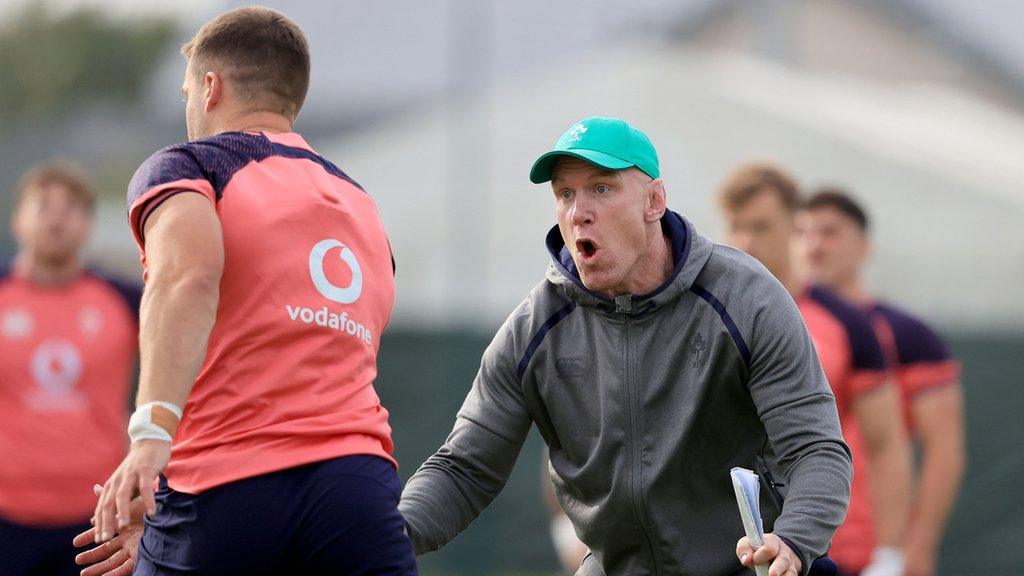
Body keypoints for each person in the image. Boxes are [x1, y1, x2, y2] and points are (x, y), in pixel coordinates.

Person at [399, 116, 853, 576]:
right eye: (564, 194)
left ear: (655, 201)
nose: (579, 211)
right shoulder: (534, 328)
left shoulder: (747, 298)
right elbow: (463, 469)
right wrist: (386, 534)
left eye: (601, 188)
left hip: (756, 566)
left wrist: (794, 539)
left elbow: (816, 450)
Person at [75, 7, 416, 576]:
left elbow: (187, 279)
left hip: (226, 487)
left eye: (188, 90)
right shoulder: (361, 205)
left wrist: (150, 437)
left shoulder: (192, 165)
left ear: (211, 88)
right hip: (359, 490)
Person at [716, 164, 914, 576]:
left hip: (835, 548)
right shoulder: (708, 320)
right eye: (737, 227)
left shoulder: (847, 322)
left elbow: (888, 445)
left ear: (795, 225)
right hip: (731, 552)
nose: (747, 241)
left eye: (761, 226)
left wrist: (891, 553)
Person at [798, 189, 965, 576]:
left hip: (871, 548)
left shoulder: (909, 336)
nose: (814, 245)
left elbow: (944, 451)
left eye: (830, 232)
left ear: (864, 246)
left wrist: (916, 547)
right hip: (799, 541)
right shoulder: (782, 326)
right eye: (804, 232)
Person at [0, 162, 139, 576]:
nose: (58, 217)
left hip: (98, 510)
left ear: (89, 225)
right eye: (44, 205)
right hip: (7, 513)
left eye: (73, 208)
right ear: (17, 219)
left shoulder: (125, 300)